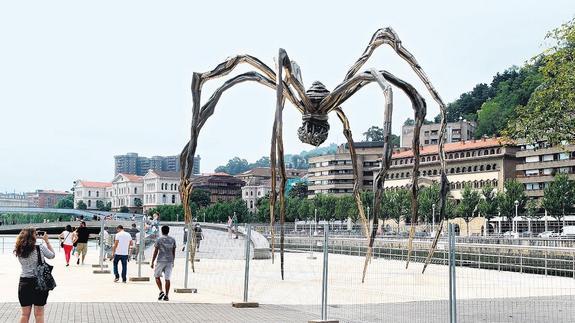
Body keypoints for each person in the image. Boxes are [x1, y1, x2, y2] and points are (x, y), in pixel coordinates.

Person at [14, 228, 55, 323]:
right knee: (39, 314)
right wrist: (47, 241)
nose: (36, 235)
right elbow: (52, 255)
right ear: (32, 236)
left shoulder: (19, 248)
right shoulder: (39, 247)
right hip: (39, 283)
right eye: (35, 234)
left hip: (24, 282)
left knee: (24, 314)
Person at [151, 225, 176, 301]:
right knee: (167, 279)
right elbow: (173, 251)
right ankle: (167, 295)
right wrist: (173, 261)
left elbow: (156, 251)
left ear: (162, 231)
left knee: (157, 276)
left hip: (161, 260)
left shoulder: (159, 239)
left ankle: (161, 291)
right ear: (168, 231)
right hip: (170, 261)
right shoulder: (173, 239)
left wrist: (152, 261)